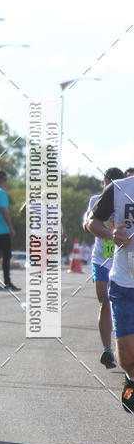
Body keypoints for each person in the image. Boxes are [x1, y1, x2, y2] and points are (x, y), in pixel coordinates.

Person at [89, 173, 134, 412]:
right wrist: (111, 234)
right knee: (126, 355)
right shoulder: (118, 189)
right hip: (124, 283)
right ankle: (131, 379)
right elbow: (91, 223)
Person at [83, 168, 125, 369]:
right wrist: (104, 229)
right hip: (101, 259)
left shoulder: (125, 199)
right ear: (103, 184)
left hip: (122, 261)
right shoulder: (95, 201)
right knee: (104, 300)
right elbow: (87, 224)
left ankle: (123, 344)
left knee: (120, 302)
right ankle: (107, 350)